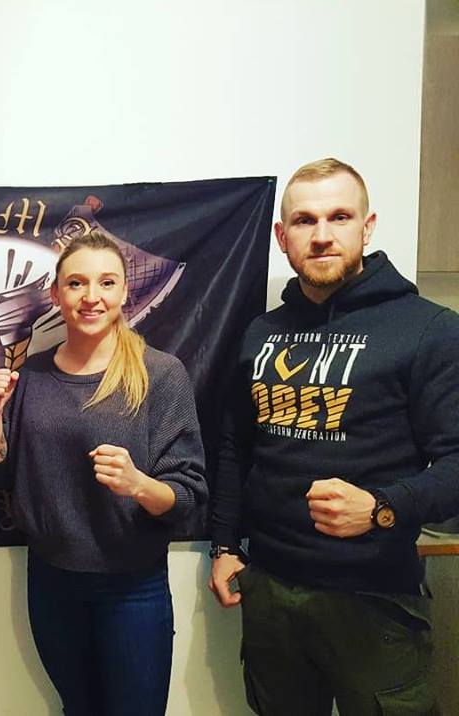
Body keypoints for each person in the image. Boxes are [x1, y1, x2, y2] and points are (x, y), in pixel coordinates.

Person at [208, 158, 459, 716]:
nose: (322, 235)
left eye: (339, 217)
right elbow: (234, 449)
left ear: (367, 228)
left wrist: (382, 507)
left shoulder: (429, 330)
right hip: (270, 590)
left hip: (374, 597)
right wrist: (224, 547)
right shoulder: (261, 333)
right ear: (282, 237)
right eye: (305, 221)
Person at [0, 230, 208, 716]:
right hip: (52, 582)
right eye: (76, 283)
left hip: (132, 586)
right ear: (55, 294)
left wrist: (138, 484)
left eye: (106, 283)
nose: (91, 297)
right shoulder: (33, 374)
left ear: (124, 292)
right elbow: (1, 477)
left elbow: (189, 494)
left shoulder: (160, 373)